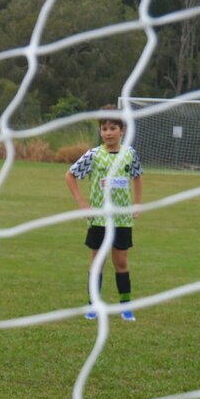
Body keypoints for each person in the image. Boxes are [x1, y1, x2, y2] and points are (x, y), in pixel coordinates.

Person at [65, 105, 143, 321]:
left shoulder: (129, 154)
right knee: (97, 261)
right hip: (99, 218)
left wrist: (137, 203)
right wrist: (81, 202)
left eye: (112, 128)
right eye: (104, 128)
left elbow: (137, 177)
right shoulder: (94, 155)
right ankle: (93, 305)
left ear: (122, 130)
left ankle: (126, 306)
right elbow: (70, 175)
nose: (108, 132)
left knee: (121, 262)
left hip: (122, 218)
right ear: (100, 132)